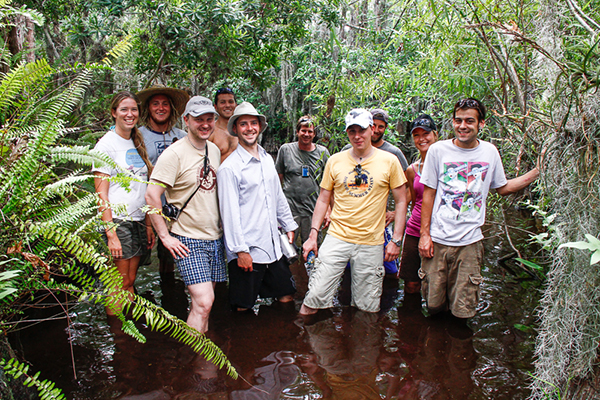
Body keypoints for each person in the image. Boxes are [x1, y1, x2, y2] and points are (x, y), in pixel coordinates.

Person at [418, 98, 540, 319]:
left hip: (470, 242)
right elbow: (429, 194)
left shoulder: (490, 152)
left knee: (463, 310)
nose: (462, 126)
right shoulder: (437, 150)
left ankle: (458, 350)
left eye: (469, 121)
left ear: (481, 124)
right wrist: (424, 235)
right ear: (452, 122)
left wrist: (537, 172)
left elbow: (502, 188)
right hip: (437, 239)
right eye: (458, 120)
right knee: (433, 305)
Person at [299, 109, 408, 315]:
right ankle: (304, 346)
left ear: (372, 129)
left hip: (371, 242)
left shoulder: (389, 160)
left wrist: (396, 240)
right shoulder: (335, 160)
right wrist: (313, 235)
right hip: (336, 237)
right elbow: (323, 198)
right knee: (313, 299)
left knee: (367, 308)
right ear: (347, 133)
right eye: (352, 131)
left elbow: (401, 201)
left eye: (362, 130)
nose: (357, 136)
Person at [145, 96, 225, 333]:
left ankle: (201, 351)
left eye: (209, 119)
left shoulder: (214, 149)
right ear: (186, 120)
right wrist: (165, 236)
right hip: (188, 238)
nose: (205, 124)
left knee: (205, 304)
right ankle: (197, 362)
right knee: (203, 301)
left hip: (214, 237)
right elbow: (151, 196)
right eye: (199, 119)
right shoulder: (174, 154)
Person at [217, 102, 298, 312]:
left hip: (273, 245)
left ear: (260, 127)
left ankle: (279, 342)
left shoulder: (266, 159)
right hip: (248, 249)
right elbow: (229, 214)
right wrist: (240, 251)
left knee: (286, 295)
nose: (249, 128)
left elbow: (277, 194)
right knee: (243, 306)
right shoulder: (229, 168)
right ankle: (245, 343)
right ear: (235, 129)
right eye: (243, 124)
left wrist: (288, 224)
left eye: (253, 123)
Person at [93, 91, 155, 314]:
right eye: (124, 110)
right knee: (120, 284)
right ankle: (119, 336)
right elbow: (101, 193)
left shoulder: (136, 141)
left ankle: (128, 331)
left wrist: (148, 224)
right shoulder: (105, 145)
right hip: (119, 221)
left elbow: (144, 186)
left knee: (130, 280)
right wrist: (111, 234)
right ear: (113, 113)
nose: (130, 114)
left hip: (138, 219)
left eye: (134, 110)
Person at [342, 109, 409, 276]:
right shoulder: (347, 150)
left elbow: (407, 187)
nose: (377, 130)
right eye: (375, 126)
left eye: (382, 127)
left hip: (380, 220)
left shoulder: (393, 153)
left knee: (390, 267)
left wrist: (395, 213)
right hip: (351, 221)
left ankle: (387, 300)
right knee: (349, 268)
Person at [136, 85, 190, 274]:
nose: (161, 108)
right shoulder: (138, 136)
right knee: (142, 259)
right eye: (156, 104)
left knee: (173, 257)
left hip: (178, 208)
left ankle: (172, 296)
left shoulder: (183, 137)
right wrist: (147, 220)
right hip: (148, 206)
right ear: (148, 108)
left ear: (172, 108)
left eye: (165, 104)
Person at [398, 114, 438, 295]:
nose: (422, 139)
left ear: (435, 135)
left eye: (426, 134)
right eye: (416, 135)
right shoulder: (412, 170)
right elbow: (414, 202)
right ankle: (409, 321)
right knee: (411, 284)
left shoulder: (447, 165)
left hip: (440, 231)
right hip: (414, 230)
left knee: (437, 284)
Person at [275, 116, 330, 247]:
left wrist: (329, 210)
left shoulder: (323, 153)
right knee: (286, 249)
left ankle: (309, 268)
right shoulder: (286, 150)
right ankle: (290, 267)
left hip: (313, 211)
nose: (306, 134)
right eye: (303, 131)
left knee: (312, 250)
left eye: (310, 131)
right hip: (289, 210)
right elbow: (277, 180)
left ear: (314, 134)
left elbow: (329, 185)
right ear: (297, 132)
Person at [209, 87, 239, 160]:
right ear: (215, 106)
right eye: (222, 102)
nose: (227, 105)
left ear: (236, 105)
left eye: (231, 102)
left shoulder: (242, 131)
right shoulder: (211, 132)